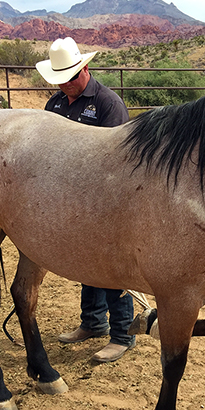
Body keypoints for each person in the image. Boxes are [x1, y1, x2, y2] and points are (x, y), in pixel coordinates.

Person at [35, 37, 135, 363]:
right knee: (85, 265)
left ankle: (122, 334)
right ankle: (93, 323)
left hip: (105, 200)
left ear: (85, 68)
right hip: (71, 200)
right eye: (59, 79)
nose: (66, 84)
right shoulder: (55, 105)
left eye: (70, 77)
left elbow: (118, 159)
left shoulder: (108, 104)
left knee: (112, 268)